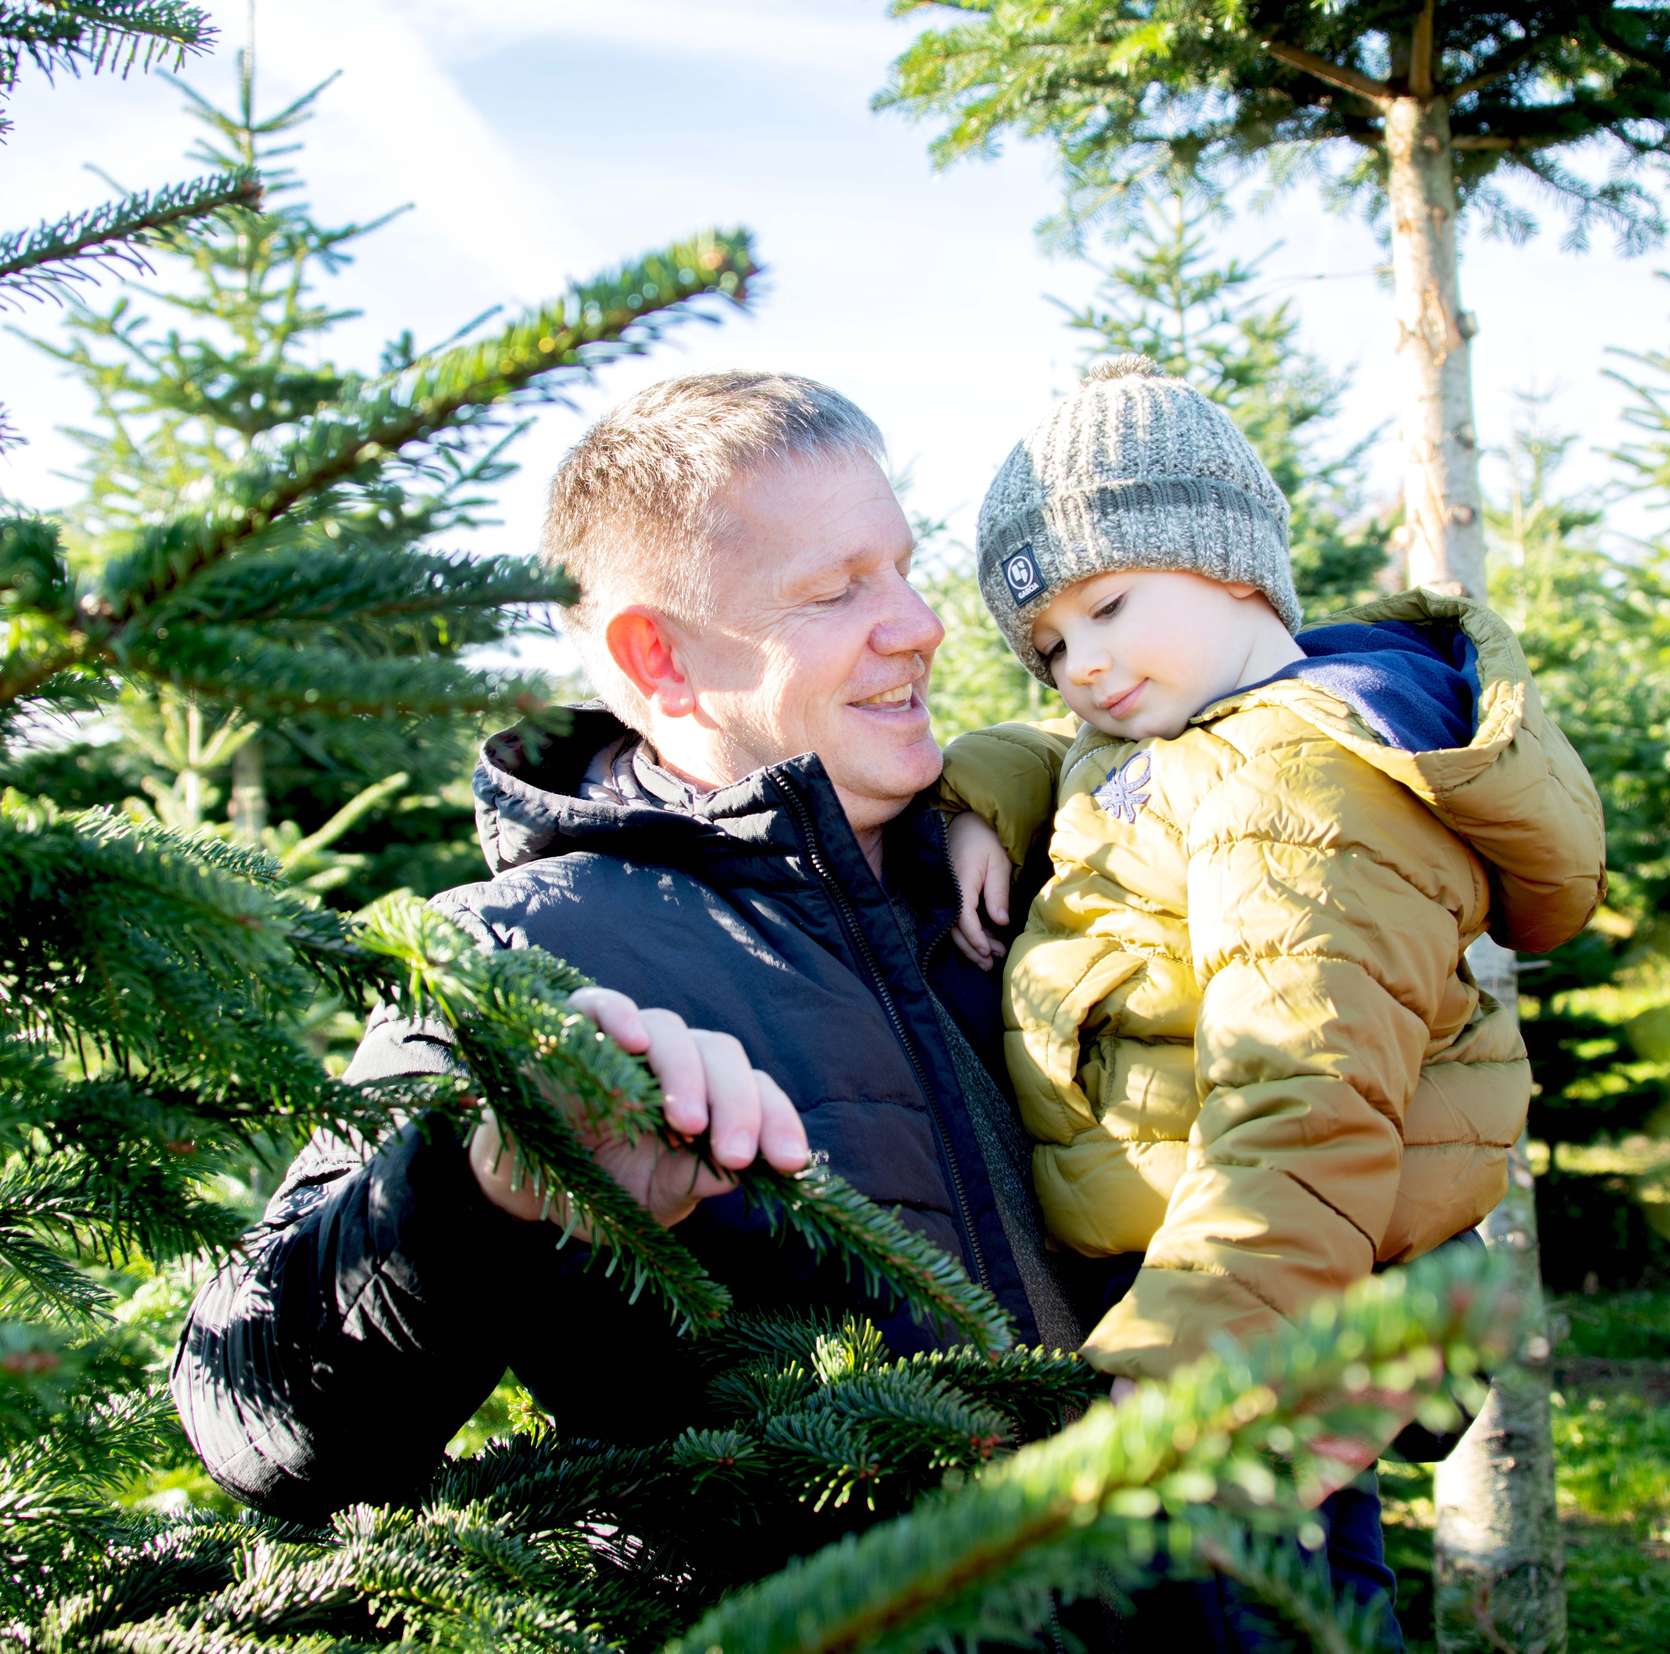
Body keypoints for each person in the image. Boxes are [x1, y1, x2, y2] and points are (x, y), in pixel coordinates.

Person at [172, 370, 1088, 1526]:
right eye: (835, 590)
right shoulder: (521, 951)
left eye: (902, 565)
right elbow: (253, 1420)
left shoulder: (1052, 846)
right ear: (656, 658)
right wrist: (486, 1183)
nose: (920, 623)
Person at [937, 355, 1608, 1644]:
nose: (1084, 664)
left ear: (1227, 555)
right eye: (1050, 644)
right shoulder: (1197, 733)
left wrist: (1175, 1388)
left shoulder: (1296, 792)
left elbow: (1305, 1112)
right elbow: (1087, 765)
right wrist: (979, 791)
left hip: (1245, 1326)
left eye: (1111, 603)